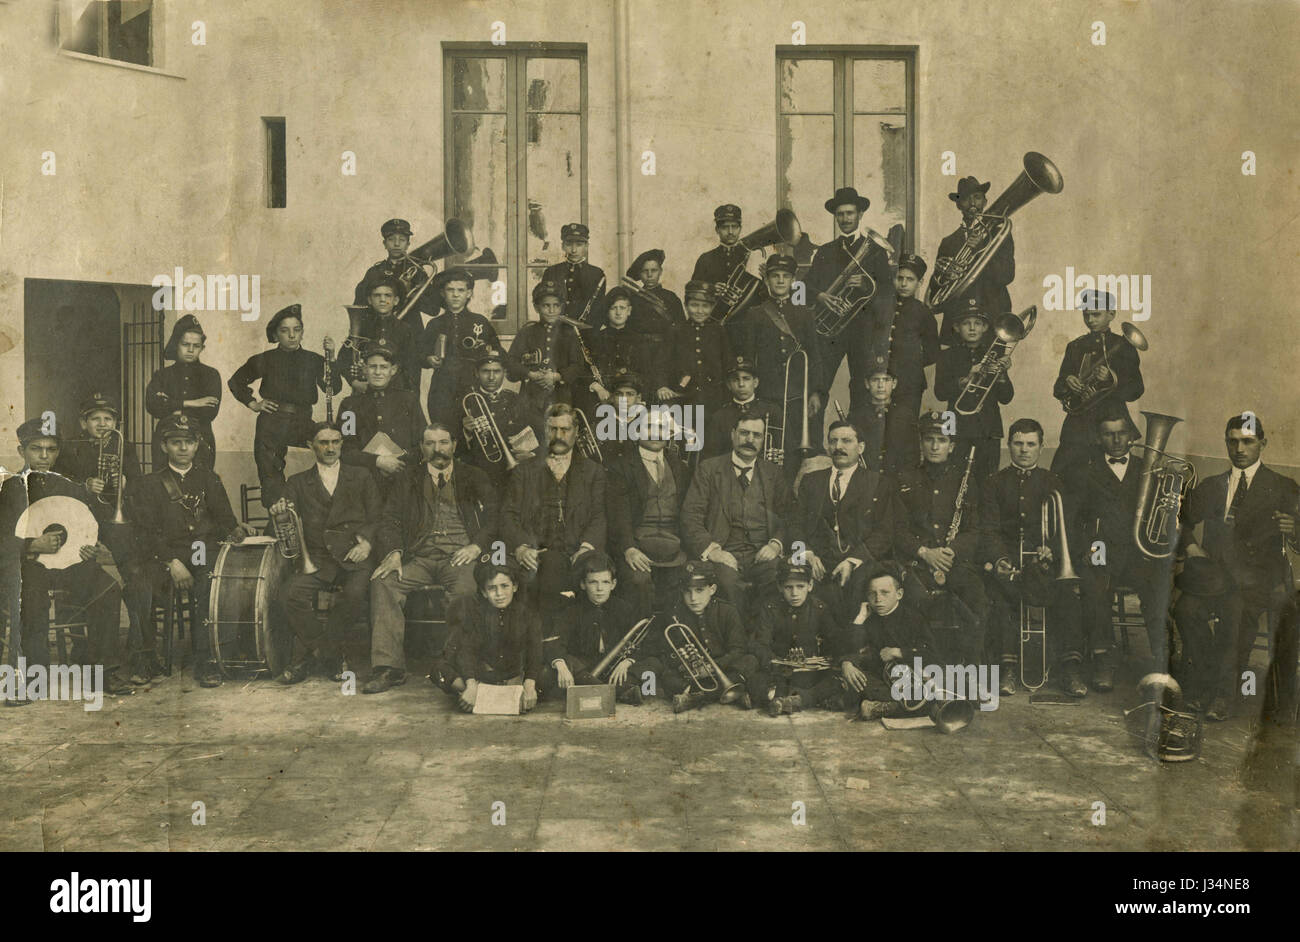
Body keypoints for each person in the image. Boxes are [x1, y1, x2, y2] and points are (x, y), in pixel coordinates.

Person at [363, 423, 500, 694]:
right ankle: (389, 668)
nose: (438, 449)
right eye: (430, 443)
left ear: (455, 445)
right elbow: (389, 519)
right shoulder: (408, 478)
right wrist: (394, 554)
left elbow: (495, 516)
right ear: (422, 448)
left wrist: (476, 546)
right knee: (384, 582)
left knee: (466, 591)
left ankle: (458, 663)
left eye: (444, 442)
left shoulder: (474, 475)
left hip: (459, 556)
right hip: (419, 556)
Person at [0, 418, 132, 698]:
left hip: (69, 563)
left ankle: (104, 671)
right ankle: (33, 677)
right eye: (37, 449)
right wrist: (32, 543)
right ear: (22, 450)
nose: (45, 456)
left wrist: (93, 546)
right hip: (28, 566)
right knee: (30, 600)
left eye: (51, 449)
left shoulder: (68, 486)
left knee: (107, 588)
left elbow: (89, 523)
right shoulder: (9, 489)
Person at [1179, 414, 1298, 724]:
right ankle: (1209, 677)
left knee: (1235, 612)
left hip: (1257, 580)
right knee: (1184, 609)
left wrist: (1294, 529)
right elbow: (1180, 520)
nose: (1240, 449)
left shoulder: (1283, 486)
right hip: (1214, 577)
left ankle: (1222, 694)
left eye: (1248, 441)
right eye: (1233, 441)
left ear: (1263, 443)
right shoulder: (1212, 485)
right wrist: (1191, 546)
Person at [129, 414, 258, 688]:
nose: (183, 448)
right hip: (164, 554)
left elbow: (224, 521)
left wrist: (236, 530)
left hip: (202, 551)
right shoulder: (149, 484)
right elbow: (145, 531)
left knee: (212, 586)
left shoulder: (209, 479)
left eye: (188, 442)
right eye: (176, 443)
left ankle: (207, 660)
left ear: (197, 445)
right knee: (140, 586)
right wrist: (171, 562)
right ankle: (144, 659)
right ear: (164, 447)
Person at [1063, 410, 1174, 694]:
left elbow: (1166, 515)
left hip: (1140, 551)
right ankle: (1103, 661)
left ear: (1133, 436)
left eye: (1121, 433)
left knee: (1158, 586)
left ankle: (1163, 661)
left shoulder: (1148, 468)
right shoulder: (1085, 471)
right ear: (1099, 438)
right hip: (1101, 548)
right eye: (1108, 434)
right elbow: (1072, 520)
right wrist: (1083, 549)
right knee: (1095, 587)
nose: (1115, 440)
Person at [980, 419, 1086, 698]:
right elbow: (989, 529)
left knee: (1068, 596)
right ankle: (1008, 668)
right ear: (1008, 445)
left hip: (1046, 562)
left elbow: (1067, 528)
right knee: (1001, 597)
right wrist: (1000, 558)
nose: (1024, 450)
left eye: (1030, 444)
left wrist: (1052, 549)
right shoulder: (994, 483)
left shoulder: (1054, 482)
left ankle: (1070, 667)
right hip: (1011, 560)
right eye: (1018, 443)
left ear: (1041, 447)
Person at [271, 422, 382, 684]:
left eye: (335, 442)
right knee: (289, 595)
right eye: (323, 442)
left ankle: (306, 658)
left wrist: (366, 543)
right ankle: (328, 654)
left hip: (355, 557)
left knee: (354, 595)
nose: (330, 448)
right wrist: (278, 513)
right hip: (318, 559)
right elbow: (283, 524)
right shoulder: (297, 482)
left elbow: (378, 516)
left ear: (342, 444)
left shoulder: (362, 475)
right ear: (311, 446)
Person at [53, 393, 152, 685]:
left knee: (136, 573)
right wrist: (84, 486)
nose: (103, 424)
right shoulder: (69, 449)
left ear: (116, 422)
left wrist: (127, 483)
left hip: (112, 517)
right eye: (95, 418)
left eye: (108, 419)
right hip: (79, 521)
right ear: (83, 423)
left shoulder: (124, 446)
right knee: (82, 575)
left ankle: (141, 653)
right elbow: (57, 486)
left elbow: (140, 484)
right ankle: (81, 648)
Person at [891, 411, 989, 664]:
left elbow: (974, 530)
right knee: (914, 602)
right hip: (917, 564)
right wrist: (924, 552)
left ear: (952, 445)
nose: (935, 446)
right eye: (930, 439)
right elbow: (897, 529)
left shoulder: (965, 480)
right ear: (921, 442)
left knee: (977, 596)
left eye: (942, 440)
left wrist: (952, 551)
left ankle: (970, 673)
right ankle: (920, 673)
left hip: (952, 562)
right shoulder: (905, 478)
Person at [228, 304, 341, 508]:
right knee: (270, 472)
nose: (291, 335)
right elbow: (235, 381)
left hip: (302, 421)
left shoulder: (314, 359)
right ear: (275, 334)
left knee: (330, 450)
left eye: (296, 330)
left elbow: (335, 388)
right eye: (284, 330)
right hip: (272, 422)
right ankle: (279, 518)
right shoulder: (265, 359)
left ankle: (324, 506)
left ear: (302, 332)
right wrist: (253, 403)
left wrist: (331, 358)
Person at [502, 404, 606, 613]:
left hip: (578, 552)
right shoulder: (524, 471)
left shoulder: (594, 471)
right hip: (536, 552)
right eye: (553, 429)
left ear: (576, 433)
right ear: (544, 431)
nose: (558, 435)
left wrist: (586, 547)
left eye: (565, 430)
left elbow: (599, 515)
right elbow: (508, 514)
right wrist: (521, 547)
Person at [680, 413, 793, 607]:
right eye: (744, 433)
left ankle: (762, 637)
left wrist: (775, 545)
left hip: (761, 555)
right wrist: (713, 551)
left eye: (757, 435)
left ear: (763, 440)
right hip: (723, 553)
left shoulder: (773, 473)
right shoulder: (708, 469)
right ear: (733, 434)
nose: (750, 440)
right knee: (728, 584)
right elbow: (690, 517)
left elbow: (789, 516)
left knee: (778, 579)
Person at [728, 254, 826, 474]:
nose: (780, 281)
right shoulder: (755, 314)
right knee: (767, 451)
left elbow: (815, 356)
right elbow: (749, 358)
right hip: (767, 393)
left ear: (793, 281)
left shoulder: (805, 314)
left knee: (793, 452)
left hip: (797, 394)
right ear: (767, 280)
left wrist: (815, 392)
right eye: (775, 276)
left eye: (785, 276)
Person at [791, 419, 894, 622]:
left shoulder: (878, 483)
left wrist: (851, 561)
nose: (838, 447)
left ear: (861, 447)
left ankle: (850, 649)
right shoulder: (811, 481)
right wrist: (806, 554)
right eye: (833, 441)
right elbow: (794, 524)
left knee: (854, 586)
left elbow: (885, 532)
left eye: (846, 441)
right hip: (817, 560)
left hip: (859, 561)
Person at [804, 186, 896, 411]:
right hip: (830, 333)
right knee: (819, 385)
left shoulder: (876, 251)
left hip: (863, 330)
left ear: (860, 215)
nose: (845, 218)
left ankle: (859, 440)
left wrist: (867, 286)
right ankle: (812, 443)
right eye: (840, 214)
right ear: (836, 217)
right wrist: (820, 296)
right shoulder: (824, 251)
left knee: (861, 386)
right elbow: (802, 287)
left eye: (850, 213)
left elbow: (887, 292)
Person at [605, 409, 690, 612]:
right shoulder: (621, 467)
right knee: (639, 582)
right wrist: (629, 549)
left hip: (675, 547)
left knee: (687, 584)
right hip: (637, 546)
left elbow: (689, 513)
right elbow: (618, 514)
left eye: (661, 428)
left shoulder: (680, 467)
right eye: (649, 427)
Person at [1050, 289, 1144, 473]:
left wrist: (1112, 378)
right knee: (1063, 474)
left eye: (1096, 314)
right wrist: (1067, 381)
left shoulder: (1125, 347)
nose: (1090, 320)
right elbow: (1058, 388)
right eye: (1086, 315)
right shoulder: (1075, 346)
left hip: (1112, 420)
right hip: (1078, 424)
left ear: (1111, 314)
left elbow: (1136, 389)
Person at [543, 552, 655, 704]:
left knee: (653, 663)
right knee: (555, 667)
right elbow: (554, 642)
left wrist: (628, 662)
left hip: (613, 669)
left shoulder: (624, 608)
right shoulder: (572, 610)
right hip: (583, 669)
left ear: (613, 584)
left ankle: (594, 690)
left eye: (605, 582)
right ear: (583, 584)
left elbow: (644, 644)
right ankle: (613, 692)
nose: (599, 589)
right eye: (593, 582)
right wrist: (561, 665)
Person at [650, 560, 757, 712]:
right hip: (693, 674)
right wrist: (683, 665)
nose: (693, 598)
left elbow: (738, 650)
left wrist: (711, 668)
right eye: (688, 591)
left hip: (723, 668)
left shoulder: (727, 611)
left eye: (699, 590)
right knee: (667, 678)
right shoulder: (675, 614)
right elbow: (668, 653)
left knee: (750, 661)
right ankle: (728, 693)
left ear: (712, 589)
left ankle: (696, 698)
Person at [436, 562, 542, 714]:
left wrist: (530, 684)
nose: (499, 594)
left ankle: (505, 695)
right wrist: (471, 684)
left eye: (504, 586)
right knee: (439, 669)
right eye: (492, 588)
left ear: (515, 586)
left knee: (545, 675)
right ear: (484, 592)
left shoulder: (527, 614)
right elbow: (466, 651)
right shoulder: (475, 614)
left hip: (513, 675)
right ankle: (476, 694)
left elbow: (535, 651)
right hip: (483, 676)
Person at [836, 567, 936, 719]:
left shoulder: (914, 618)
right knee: (848, 678)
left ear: (899, 594)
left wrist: (899, 652)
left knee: (927, 694)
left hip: (912, 678)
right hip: (880, 680)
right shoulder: (868, 618)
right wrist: (847, 661)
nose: (878, 599)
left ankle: (887, 707)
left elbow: (932, 655)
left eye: (885, 593)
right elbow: (855, 650)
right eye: (872, 594)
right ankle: (889, 706)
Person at [934, 298, 1014, 483]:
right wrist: (966, 379)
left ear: (986, 328)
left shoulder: (995, 354)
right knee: (953, 479)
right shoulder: (946, 356)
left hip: (988, 426)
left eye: (977, 323)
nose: (972, 328)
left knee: (987, 482)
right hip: (955, 424)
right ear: (956, 327)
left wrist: (1002, 376)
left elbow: (1006, 398)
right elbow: (940, 393)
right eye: (966, 323)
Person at [750, 562, 844, 716]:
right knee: (756, 679)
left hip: (808, 671)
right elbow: (761, 643)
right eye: (788, 587)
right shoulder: (770, 608)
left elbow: (834, 640)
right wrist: (774, 662)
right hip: (778, 670)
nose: (794, 593)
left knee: (833, 682)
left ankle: (788, 700)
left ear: (810, 585)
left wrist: (824, 659)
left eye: (800, 586)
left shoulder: (819, 608)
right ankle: (795, 699)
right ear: (780, 587)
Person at [932, 175, 1015, 346]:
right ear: (958, 204)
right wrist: (941, 274)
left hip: (992, 316)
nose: (972, 203)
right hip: (958, 319)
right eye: (965, 199)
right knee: (956, 371)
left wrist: (978, 249)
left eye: (977, 197)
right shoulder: (948, 242)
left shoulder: (1000, 234)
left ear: (985, 201)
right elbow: (935, 295)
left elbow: (1006, 275)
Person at [337, 341, 425, 502]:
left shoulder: (409, 400)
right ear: (364, 369)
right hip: (366, 482)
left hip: (404, 480)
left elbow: (421, 443)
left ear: (393, 370)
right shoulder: (349, 405)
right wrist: (378, 461)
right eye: (372, 367)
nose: (378, 372)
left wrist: (398, 463)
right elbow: (346, 450)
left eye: (383, 367)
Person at [421, 267, 504, 430]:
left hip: (472, 384)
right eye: (450, 290)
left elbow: (498, 352)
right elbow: (420, 354)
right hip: (442, 387)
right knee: (444, 429)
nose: (456, 294)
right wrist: (428, 359)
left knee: (474, 431)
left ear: (469, 293)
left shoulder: (480, 322)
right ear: (443, 293)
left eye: (461, 290)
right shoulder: (434, 324)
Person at [145, 314, 221, 470]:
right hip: (166, 442)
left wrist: (171, 405)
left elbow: (209, 412)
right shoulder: (162, 375)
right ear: (176, 345)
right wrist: (191, 403)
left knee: (200, 486)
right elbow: (152, 406)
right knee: (164, 487)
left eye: (196, 346)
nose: (191, 350)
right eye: (185, 344)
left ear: (202, 348)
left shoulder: (211, 375)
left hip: (200, 440)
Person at [459, 352, 541, 488]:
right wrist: (466, 433)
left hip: (513, 474)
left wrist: (530, 454)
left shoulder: (517, 400)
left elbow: (539, 436)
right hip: (478, 471)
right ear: (476, 373)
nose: (491, 377)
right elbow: (455, 446)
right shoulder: (466, 402)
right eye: (485, 371)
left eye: (496, 371)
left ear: (504, 373)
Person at [507, 279, 582, 416]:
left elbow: (577, 365)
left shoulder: (569, 333)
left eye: (556, 306)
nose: (551, 310)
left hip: (561, 395)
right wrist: (531, 374)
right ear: (536, 307)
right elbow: (511, 362)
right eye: (546, 306)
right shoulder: (527, 332)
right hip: (530, 396)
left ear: (561, 307)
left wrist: (556, 376)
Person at [338, 277, 421, 394]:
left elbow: (412, 368)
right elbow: (343, 359)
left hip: (397, 393)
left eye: (388, 295)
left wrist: (411, 396)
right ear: (369, 300)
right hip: (366, 391)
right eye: (377, 295)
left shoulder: (405, 329)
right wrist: (354, 382)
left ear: (396, 300)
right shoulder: (361, 326)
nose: (382, 300)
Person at [661, 280, 732, 411]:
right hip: (683, 397)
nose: (700, 311)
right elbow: (663, 362)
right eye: (694, 305)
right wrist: (662, 386)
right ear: (686, 305)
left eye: (705, 306)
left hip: (714, 398)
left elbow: (727, 364)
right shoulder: (676, 331)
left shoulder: (718, 331)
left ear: (712, 307)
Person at [353, 218, 439, 326]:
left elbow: (433, 310)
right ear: (384, 244)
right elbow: (359, 309)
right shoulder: (374, 272)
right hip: (381, 332)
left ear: (408, 244)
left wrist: (410, 292)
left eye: (402, 240)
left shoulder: (418, 272)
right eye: (391, 239)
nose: (397, 244)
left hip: (412, 335)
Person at [692, 204, 763, 323]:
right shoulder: (705, 259)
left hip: (747, 325)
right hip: (716, 326)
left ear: (740, 228)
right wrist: (711, 290)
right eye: (725, 227)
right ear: (717, 230)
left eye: (734, 227)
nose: (730, 232)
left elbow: (762, 295)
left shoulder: (753, 257)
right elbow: (693, 295)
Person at [702, 357, 779, 460]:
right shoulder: (719, 417)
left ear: (755, 382)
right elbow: (711, 457)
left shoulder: (772, 411)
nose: (741, 384)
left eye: (746, 379)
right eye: (736, 380)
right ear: (729, 385)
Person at [847, 367, 914, 473]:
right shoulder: (856, 417)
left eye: (886, 380)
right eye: (875, 380)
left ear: (894, 383)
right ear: (867, 384)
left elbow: (912, 455)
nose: (881, 386)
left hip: (895, 479)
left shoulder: (905, 415)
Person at [541, 222, 606, 325]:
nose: (574, 250)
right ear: (562, 246)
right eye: (569, 244)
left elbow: (598, 310)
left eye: (579, 245)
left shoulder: (597, 274)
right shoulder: (551, 272)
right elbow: (544, 304)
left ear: (586, 247)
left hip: (585, 333)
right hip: (557, 330)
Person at [624, 248, 685, 339]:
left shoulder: (671, 297)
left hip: (665, 348)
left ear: (660, 271)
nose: (649, 275)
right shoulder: (632, 299)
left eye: (654, 270)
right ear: (640, 274)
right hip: (640, 349)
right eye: (645, 271)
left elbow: (681, 327)